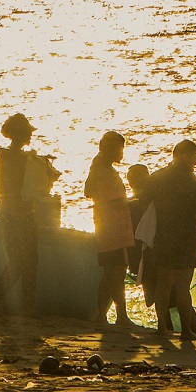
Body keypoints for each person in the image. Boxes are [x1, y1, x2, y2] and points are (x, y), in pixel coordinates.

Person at [147, 140, 196, 339]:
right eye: (194, 156)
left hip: (162, 234)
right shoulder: (193, 180)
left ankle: (161, 327)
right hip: (186, 236)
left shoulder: (157, 177)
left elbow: (144, 203)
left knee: (163, 283)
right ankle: (186, 330)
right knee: (183, 285)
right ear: (185, 155)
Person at [0, 114, 59, 315]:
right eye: (27, 133)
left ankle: (27, 306)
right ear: (19, 134)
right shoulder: (5, 155)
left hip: (25, 211)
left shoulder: (23, 157)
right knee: (18, 259)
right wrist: (35, 161)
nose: (30, 136)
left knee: (31, 258)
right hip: (10, 211)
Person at [84, 131, 134, 327]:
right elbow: (113, 203)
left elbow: (89, 193)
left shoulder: (99, 170)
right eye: (120, 148)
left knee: (109, 274)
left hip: (105, 227)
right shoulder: (105, 172)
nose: (121, 152)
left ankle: (101, 316)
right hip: (114, 229)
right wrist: (133, 203)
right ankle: (121, 316)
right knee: (117, 273)